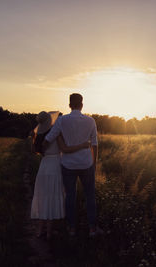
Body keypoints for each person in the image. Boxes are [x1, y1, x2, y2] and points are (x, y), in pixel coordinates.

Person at [43, 93, 102, 237]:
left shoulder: (62, 121)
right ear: (82, 105)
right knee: (90, 196)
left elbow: (48, 139)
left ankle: (71, 228)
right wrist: (94, 165)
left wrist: (42, 152)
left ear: (69, 105)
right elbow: (94, 145)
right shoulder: (91, 121)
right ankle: (92, 228)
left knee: (70, 196)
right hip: (86, 164)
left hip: (68, 165)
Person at [30, 111, 89, 239]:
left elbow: (34, 151)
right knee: (52, 196)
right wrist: (83, 145)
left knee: (44, 197)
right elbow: (66, 149)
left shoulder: (39, 136)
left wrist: (33, 138)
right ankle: (49, 232)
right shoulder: (55, 134)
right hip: (55, 166)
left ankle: (40, 230)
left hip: (44, 167)